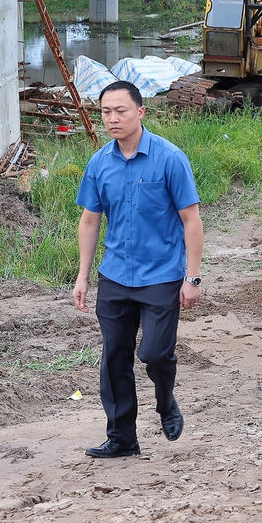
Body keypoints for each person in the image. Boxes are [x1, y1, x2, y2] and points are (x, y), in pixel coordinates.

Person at [73, 82, 204, 458]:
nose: (112, 119)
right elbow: (90, 221)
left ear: (141, 112)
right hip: (115, 275)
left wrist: (192, 277)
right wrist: (83, 276)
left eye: (121, 111)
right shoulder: (100, 162)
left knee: (154, 354)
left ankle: (165, 400)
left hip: (161, 275)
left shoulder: (169, 158)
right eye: (105, 112)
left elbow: (191, 220)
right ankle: (122, 438)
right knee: (114, 355)